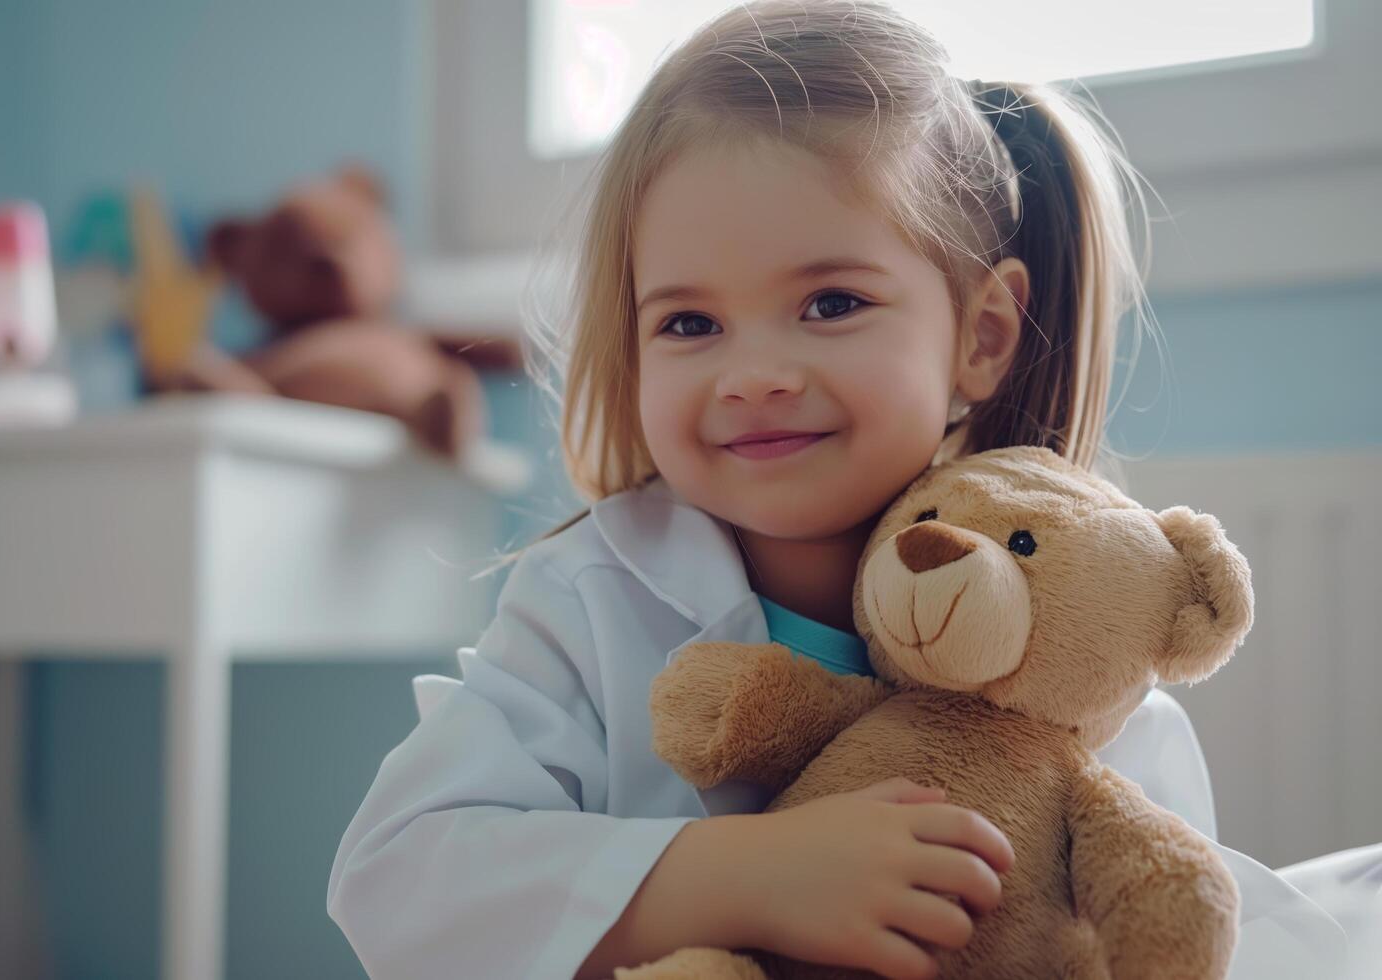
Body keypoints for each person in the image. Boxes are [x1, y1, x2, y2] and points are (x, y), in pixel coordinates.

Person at [327, 2, 1345, 977]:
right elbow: (397, 877)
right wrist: (749, 878)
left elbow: (1167, 928)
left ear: (981, 336)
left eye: (829, 302)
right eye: (689, 323)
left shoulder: (1067, 629)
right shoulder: (584, 601)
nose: (752, 372)